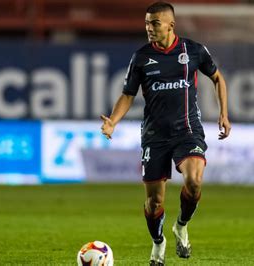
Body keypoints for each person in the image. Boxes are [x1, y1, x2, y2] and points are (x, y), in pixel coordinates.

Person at [100, 1, 231, 265]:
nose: (149, 28)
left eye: (155, 23)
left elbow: (217, 78)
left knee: (194, 181)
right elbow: (128, 95)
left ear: (171, 25)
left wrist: (224, 114)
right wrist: (113, 120)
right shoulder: (141, 57)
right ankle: (158, 242)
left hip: (188, 130)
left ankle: (181, 225)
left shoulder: (193, 51)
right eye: (147, 23)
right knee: (153, 203)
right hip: (154, 135)